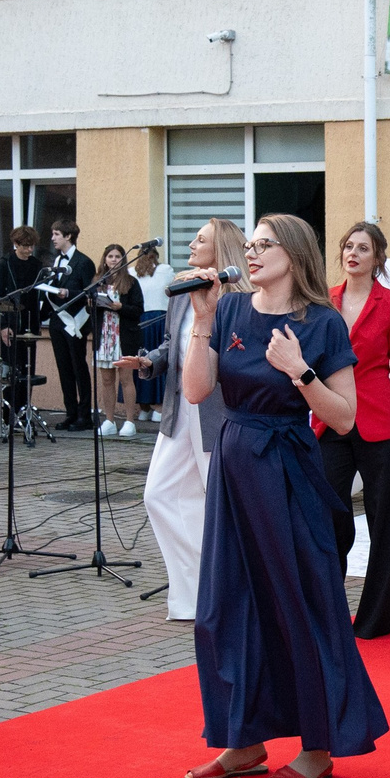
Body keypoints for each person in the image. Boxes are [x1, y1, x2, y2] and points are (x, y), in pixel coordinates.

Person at [179, 215, 388, 778]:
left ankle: (319, 746)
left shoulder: (322, 323)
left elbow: (343, 418)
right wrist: (201, 322)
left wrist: (300, 372)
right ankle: (241, 741)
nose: (251, 253)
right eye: (248, 245)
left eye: (263, 245)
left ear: (293, 253)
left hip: (289, 469)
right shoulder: (228, 310)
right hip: (234, 467)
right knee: (226, 605)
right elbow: (197, 391)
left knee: (301, 603)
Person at [128, 218, 239, 622]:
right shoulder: (181, 289)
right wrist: (148, 362)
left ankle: (223, 592)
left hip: (218, 412)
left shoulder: (234, 298)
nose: (191, 244)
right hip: (179, 410)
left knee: (219, 502)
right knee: (158, 494)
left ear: (221, 249)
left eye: (201, 240)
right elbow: (169, 346)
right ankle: (196, 593)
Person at [319, 221, 390, 639]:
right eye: (348, 246)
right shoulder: (322, 301)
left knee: (386, 523)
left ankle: (378, 616)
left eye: (363, 248)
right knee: (330, 515)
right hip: (329, 420)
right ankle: (327, 609)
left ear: (377, 258)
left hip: (382, 421)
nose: (353, 254)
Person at [41, 220, 95, 430]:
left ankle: (85, 415)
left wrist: (68, 293)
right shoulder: (56, 261)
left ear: (68, 236)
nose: (53, 238)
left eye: (56, 234)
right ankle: (70, 413)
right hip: (57, 322)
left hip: (76, 323)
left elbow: (88, 292)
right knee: (64, 369)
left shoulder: (83, 262)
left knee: (78, 368)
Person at [0, 225, 47, 417]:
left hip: (30, 323)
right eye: (25, 246)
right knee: (11, 370)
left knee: (28, 370)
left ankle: (24, 411)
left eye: (31, 246)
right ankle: (7, 415)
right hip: (11, 324)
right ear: (15, 244)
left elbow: (42, 294)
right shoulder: (4, 265)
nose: (29, 250)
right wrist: (3, 326)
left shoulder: (37, 265)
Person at [88, 243, 144, 437]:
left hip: (124, 336)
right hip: (104, 335)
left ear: (123, 259)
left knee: (126, 378)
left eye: (117, 256)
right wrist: (91, 304)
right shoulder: (97, 281)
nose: (113, 259)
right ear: (104, 259)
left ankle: (129, 421)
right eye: (110, 256)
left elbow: (138, 310)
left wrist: (121, 307)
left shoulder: (131, 282)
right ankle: (109, 420)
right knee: (106, 380)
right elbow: (90, 311)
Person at [130, 242, 169, 417]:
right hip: (159, 320)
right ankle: (158, 406)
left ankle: (144, 408)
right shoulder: (165, 270)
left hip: (140, 319)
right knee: (157, 360)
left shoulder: (132, 272)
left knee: (142, 360)